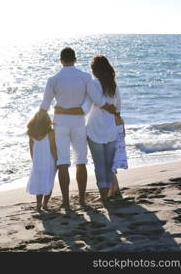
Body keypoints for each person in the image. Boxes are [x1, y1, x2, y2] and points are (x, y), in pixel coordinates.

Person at [39, 48, 116, 209]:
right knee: (81, 162)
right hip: (79, 123)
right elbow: (96, 100)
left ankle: (66, 202)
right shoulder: (85, 77)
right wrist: (110, 109)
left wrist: (37, 124)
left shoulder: (53, 79)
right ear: (75, 59)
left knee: (63, 163)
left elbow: (45, 106)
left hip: (60, 123)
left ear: (61, 60)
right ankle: (81, 200)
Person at [55, 55, 123, 206]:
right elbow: (118, 107)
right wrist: (115, 114)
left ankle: (104, 196)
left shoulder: (92, 84)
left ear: (94, 70)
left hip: (94, 129)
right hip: (111, 128)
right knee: (108, 163)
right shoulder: (113, 85)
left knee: (99, 164)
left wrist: (66, 111)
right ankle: (113, 190)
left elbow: (88, 106)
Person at [26, 111, 58, 212]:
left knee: (39, 183)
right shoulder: (50, 132)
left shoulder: (31, 133)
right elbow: (53, 148)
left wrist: (34, 162)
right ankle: (45, 204)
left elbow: (31, 150)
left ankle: (38, 205)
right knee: (49, 183)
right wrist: (57, 161)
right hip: (49, 161)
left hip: (37, 162)